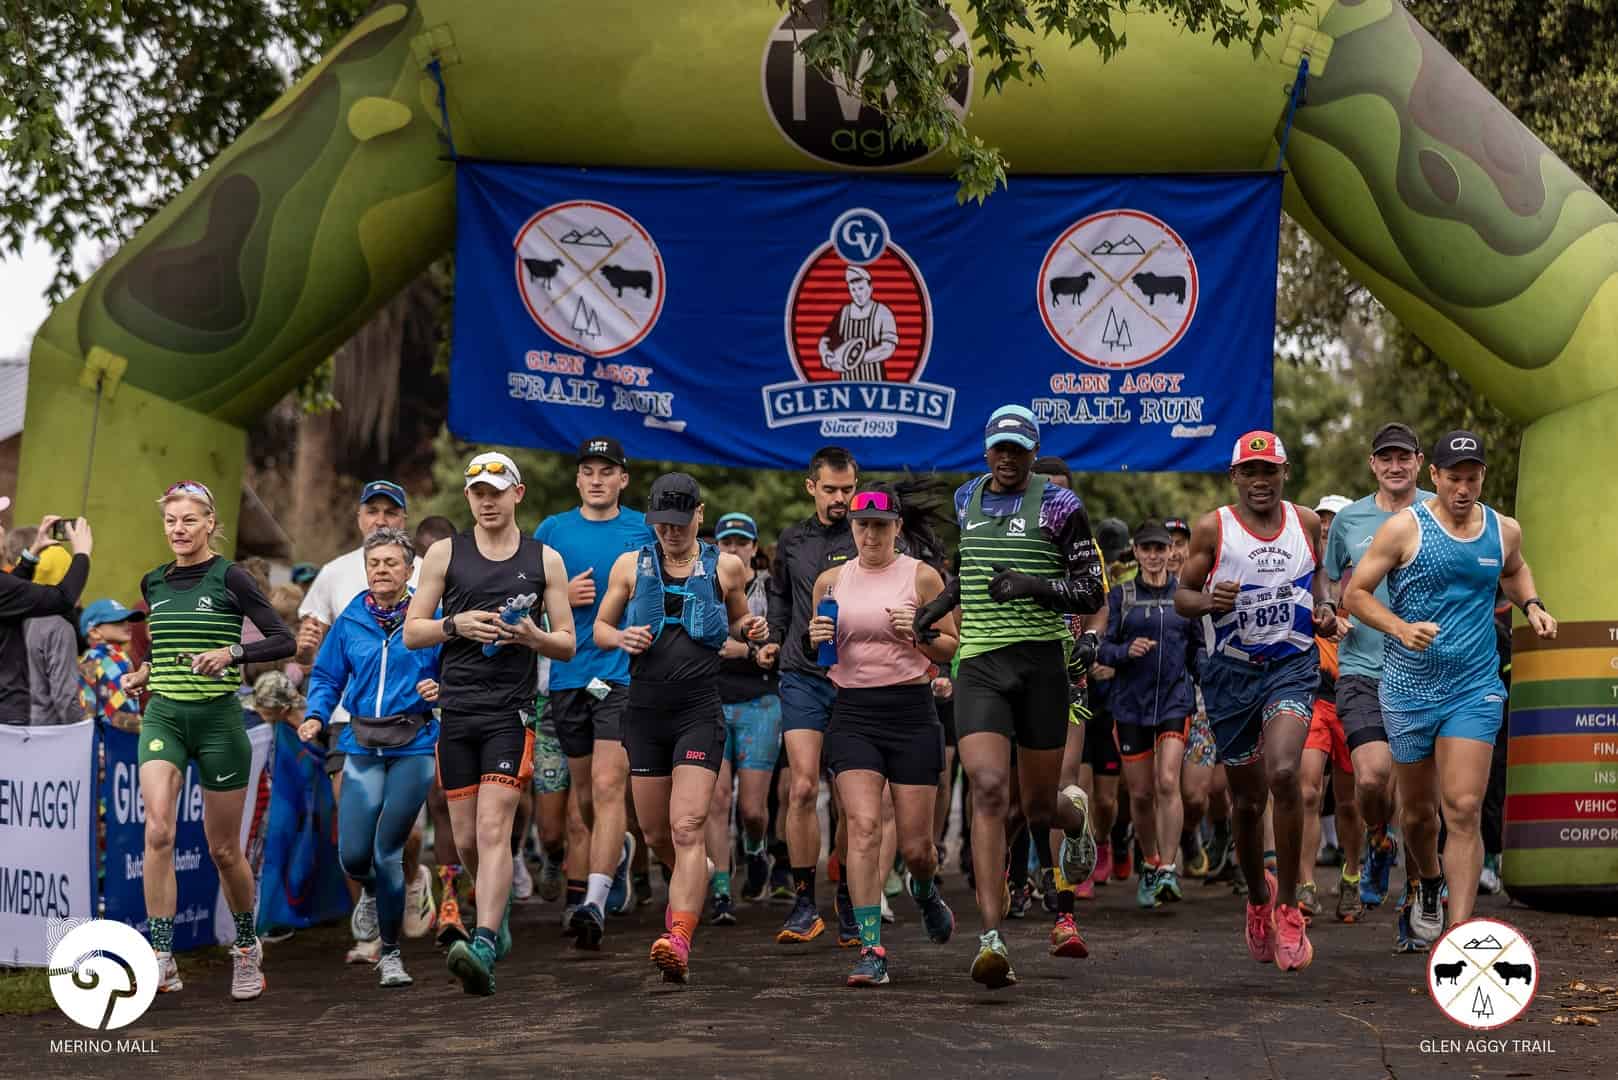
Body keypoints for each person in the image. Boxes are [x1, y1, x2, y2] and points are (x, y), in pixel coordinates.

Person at [915, 404, 1107, 988]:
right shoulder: (967, 497)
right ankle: (991, 937)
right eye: (998, 447)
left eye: (1017, 449)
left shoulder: (1061, 505)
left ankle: (1076, 824)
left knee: (1040, 806)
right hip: (980, 662)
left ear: (1031, 451)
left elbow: (1089, 590)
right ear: (985, 449)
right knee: (990, 790)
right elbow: (970, 569)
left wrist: (1031, 586)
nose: (1006, 458)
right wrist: (940, 608)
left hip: (1042, 663)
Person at [1342, 430, 1556, 940]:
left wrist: (1532, 605)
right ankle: (1428, 882)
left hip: (1473, 686)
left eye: (1472, 477)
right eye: (1453, 477)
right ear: (1433, 476)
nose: (1463, 488)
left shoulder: (1502, 530)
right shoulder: (1403, 529)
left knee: (1461, 807)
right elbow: (1355, 595)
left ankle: (1462, 936)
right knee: (1418, 815)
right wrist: (1399, 628)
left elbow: (1516, 570)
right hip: (1408, 688)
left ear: (1483, 476)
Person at [405, 452, 575, 995]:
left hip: (512, 711)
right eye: (478, 491)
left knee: (493, 828)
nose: (487, 499)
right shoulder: (442, 553)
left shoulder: (544, 559)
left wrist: (533, 637)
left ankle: (481, 944)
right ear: (468, 498)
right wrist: (455, 624)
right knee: (466, 840)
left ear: (517, 494)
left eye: (497, 490)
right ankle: (494, 915)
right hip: (457, 710)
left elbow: (568, 643)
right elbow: (413, 631)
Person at [120, 480, 294, 999]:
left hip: (220, 721)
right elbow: (166, 648)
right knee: (158, 832)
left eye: (189, 520)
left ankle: (245, 948)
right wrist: (143, 671)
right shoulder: (153, 583)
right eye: (171, 520)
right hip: (165, 718)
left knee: (223, 850)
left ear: (210, 524)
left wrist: (232, 654)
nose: (179, 529)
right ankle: (161, 954)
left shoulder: (232, 577)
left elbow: (281, 638)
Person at [593, 472, 769, 983]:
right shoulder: (631, 565)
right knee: (654, 834)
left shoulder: (727, 567)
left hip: (698, 711)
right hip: (645, 712)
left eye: (678, 521)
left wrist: (751, 629)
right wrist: (619, 636)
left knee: (687, 826)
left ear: (699, 513)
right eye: (661, 523)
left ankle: (680, 939)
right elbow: (601, 627)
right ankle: (696, 874)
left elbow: (737, 621)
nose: (669, 532)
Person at [1174, 432, 1337, 973]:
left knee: (1286, 773)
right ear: (1235, 477)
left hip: (1289, 666)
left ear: (1284, 473)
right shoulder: (1212, 528)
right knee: (1246, 803)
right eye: (1251, 471)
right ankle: (1257, 898)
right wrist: (1206, 600)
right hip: (1230, 677)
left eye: (1270, 470)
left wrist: (1325, 607)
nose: (1261, 481)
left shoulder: (1306, 524)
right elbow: (1181, 598)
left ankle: (1290, 908)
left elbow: (1316, 581)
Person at [804, 483, 959, 986]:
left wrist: (920, 630)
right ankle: (871, 947)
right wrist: (815, 638)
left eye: (880, 525)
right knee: (864, 828)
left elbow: (949, 648)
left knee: (917, 848)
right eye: (861, 525)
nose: (870, 534)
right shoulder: (830, 580)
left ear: (896, 528)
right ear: (851, 527)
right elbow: (819, 648)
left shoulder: (923, 576)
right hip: (854, 713)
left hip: (912, 711)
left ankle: (924, 887)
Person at [298, 527, 442, 988]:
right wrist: (317, 715)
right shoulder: (350, 620)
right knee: (354, 856)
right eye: (374, 563)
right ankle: (370, 897)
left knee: (387, 851)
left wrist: (442, 689)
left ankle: (392, 954)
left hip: (414, 745)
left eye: (391, 563)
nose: (381, 570)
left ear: (409, 569)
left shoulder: (429, 614)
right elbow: (325, 676)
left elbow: (456, 666)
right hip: (360, 742)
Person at [533, 436, 655, 946]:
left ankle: (593, 902)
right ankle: (617, 851)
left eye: (608, 471)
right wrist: (557, 597)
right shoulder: (552, 531)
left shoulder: (642, 531)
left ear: (623, 480)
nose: (597, 479)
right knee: (583, 797)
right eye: (589, 471)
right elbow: (526, 604)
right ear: (579, 479)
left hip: (621, 675)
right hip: (566, 677)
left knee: (608, 786)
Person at [1323, 423, 1433, 912]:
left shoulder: (1438, 509)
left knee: (1417, 799)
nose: (1394, 466)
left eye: (1402, 457)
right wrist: (1330, 615)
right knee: (1371, 779)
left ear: (1417, 460)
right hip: (1362, 667)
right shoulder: (1349, 521)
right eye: (1385, 458)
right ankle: (1377, 838)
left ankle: (1416, 903)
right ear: (1373, 465)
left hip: (1426, 669)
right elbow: (1330, 585)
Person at [760, 446, 858, 944]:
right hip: (800, 674)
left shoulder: (866, 533)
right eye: (832, 490)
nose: (841, 499)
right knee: (801, 788)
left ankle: (846, 897)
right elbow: (779, 594)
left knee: (848, 798)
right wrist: (774, 639)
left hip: (854, 678)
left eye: (848, 490)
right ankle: (803, 902)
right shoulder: (792, 539)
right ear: (811, 487)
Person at [1097, 521, 1197, 909]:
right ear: (1136, 553)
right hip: (1130, 706)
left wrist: (1203, 680)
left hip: (1175, 701)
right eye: (1148, 549)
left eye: (1162, 549)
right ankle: (1151, 863)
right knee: (1140, 793)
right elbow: (1102, 648)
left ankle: (1170, 868)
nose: (1156, 556)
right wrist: (1125, 653)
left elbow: (1197, 649)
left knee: (1168, 780)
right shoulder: (1122, 596)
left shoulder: (1184, 598)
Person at [707, 511, 782, 918]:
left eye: (741, 542)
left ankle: (755, 849)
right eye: (726, 542)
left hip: (761, 702)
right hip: (712, 701)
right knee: (716, 800)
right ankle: (721, 889)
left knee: (752, 810)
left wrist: (749, 652)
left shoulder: (771, 589)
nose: (733, 549)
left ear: (755, 549)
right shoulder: (703, 584)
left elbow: (783, 639)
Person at [1297, 494, 1361, 923]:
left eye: (1334, 521)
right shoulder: (1304, 572)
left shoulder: (1367, 574)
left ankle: (1352, 877)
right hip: (1313, 694)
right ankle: (1304, 883)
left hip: (1356, 695)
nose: (1326, 527)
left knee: (1350, 802)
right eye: (1321, 520)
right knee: (1306, 791)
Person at [412, 513, 472, 945]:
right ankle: (448, 896)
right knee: (438, 804)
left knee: (473, 811)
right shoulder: (409, 592)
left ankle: (483, 891)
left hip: (472, 705)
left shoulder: (471, 584)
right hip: (419, 715)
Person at [2, 515, 91, 726]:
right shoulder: (57, 627)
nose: (2, 529)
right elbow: (63, 598)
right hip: (20, 724)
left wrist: (30, 555)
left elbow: (11, 588)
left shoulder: (14, 603)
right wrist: (82, 554)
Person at [24, 546, 84, 725]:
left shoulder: (14, 615)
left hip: (11, 729)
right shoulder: (58, 626)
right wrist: (81, 730)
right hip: (46, 733)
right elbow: (65, 697)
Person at [817, 265, 899, 382]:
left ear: (870, 288)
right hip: (847, 385)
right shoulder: (844, 312)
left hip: (876, 383)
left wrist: (854, 360)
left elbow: (888, 348)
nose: (857, 294)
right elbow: (825, 339)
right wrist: (826, 355)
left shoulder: (882, 312)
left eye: (860, 288)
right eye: (853, 290)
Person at [78, 598, 147, 732]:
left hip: (95, 737)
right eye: (118, 621)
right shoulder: (110, 659)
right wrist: (151, 732)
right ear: (94, 632)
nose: (127, 624)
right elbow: (120, 714)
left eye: (127, 620)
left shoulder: (91, 657)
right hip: (117, 740)